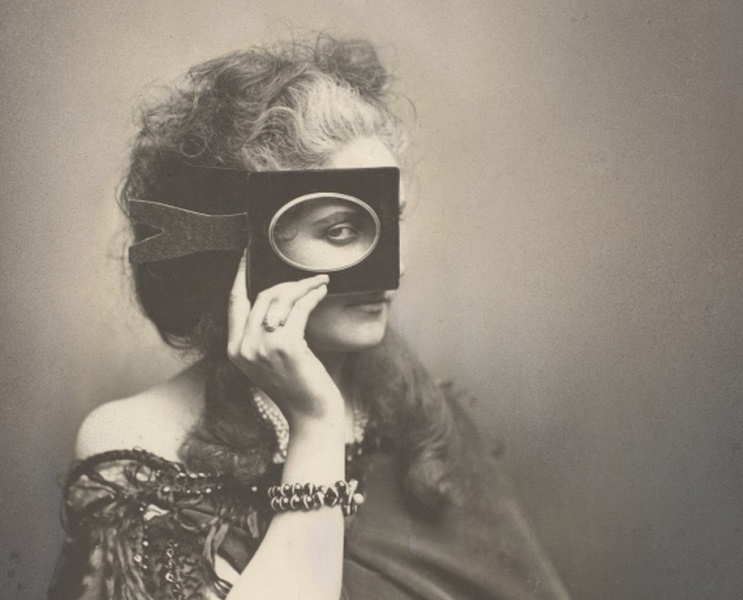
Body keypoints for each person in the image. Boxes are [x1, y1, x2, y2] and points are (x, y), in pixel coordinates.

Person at [48, 35, 570, 600]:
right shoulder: (137, 448)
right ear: (243, 254)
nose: (392, 270)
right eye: (341, 231)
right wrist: (316, 424)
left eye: (390, 223)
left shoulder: (425, 425)